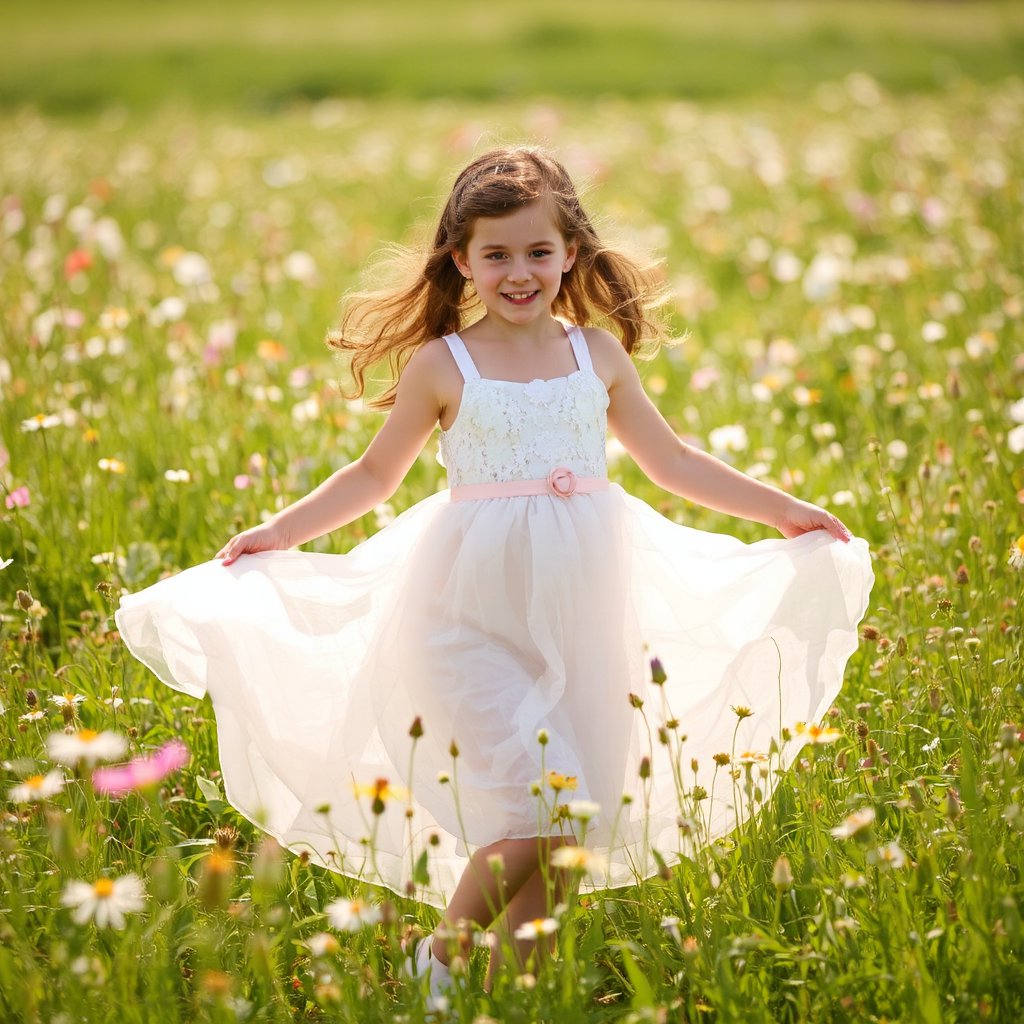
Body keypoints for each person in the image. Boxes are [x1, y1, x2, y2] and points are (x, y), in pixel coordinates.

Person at [115, 146, 873, 998]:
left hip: (588, 616)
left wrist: (782, 510)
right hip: (466, 614)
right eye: (498, 254)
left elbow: (671, 461)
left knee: (574, 828)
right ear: (461, 260)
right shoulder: (447, 365)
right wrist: (280, 530)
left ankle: (506, 994)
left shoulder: (596, 356)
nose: (520, 273)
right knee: (529, 813)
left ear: (571, 254)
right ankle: (439, 956)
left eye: (538, 252)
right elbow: (373, 477)